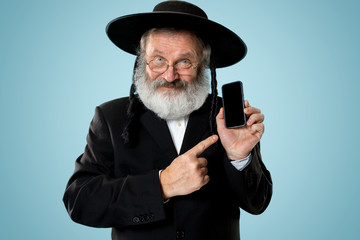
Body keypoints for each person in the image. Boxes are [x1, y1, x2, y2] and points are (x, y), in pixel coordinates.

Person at [63, 1, 272, 240]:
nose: (170, 75)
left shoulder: (228, 117)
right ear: (142, 62)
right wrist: (162, 185)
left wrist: (239, 158)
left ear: (203, 65)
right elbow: (79, 201)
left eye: (184, 62)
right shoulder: (111, 117)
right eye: (159, 59)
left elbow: (258, 203)